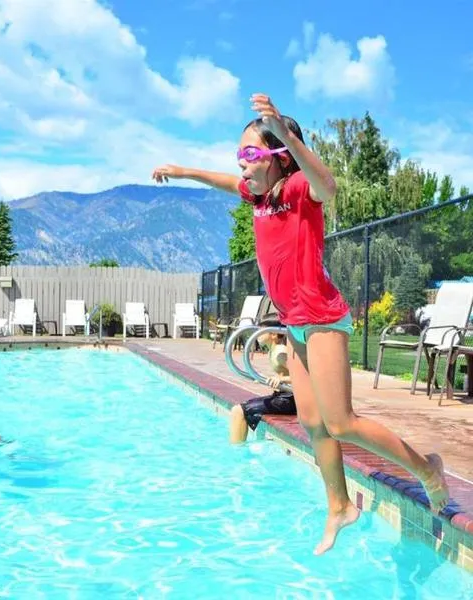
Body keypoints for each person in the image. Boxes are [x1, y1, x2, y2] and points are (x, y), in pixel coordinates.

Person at [152, 93, 449, 555]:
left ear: (278, 157)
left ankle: (427, 468)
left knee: (341, 422)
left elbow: (327, 185)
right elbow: (225, 183)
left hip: (324, 318)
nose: (242, 164)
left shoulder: (296, 190)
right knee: (312, 422)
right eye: (240, 155)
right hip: (295, 324)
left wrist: (287, 133)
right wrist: (184, 171)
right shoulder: (258, 194)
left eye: (251, 154)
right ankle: (340, 506)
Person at [230, 332, 296, 444]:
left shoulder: (280, 353)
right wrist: (264, 378)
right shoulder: (274, 350)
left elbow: (305, 376)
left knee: (239, 410)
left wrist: (282, 379)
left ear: (273, 335)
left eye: (262, 332)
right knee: (241, 409)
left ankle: (237, 452)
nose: (257, 334)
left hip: (291, 400)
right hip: (283, 396)